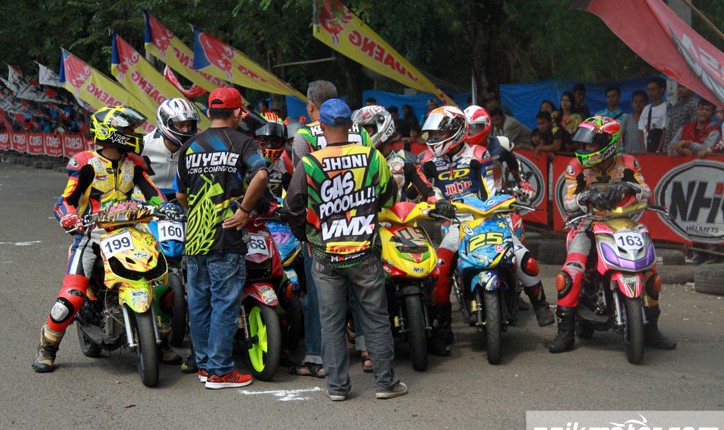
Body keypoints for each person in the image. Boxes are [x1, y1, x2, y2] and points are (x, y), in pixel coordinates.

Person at [284, 98, 407, 401]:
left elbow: (292, 206)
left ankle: (338, 387)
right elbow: (389, 197)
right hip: (364, 251)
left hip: (324, 255)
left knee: (331, 321)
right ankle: (386, 383)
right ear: (352, 126)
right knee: (376, 318)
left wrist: (305, 237)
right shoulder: (372, 157)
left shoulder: (310, 163)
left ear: (322, 127)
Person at [32, 105, 167, 373]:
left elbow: (153, 194)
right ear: (111, 133)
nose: (135, 134)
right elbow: (65, 201)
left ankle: (160, 340)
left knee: (162, 281)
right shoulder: (85, 163)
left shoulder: (135, 163)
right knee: (70, 298)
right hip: (91, 236)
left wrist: (165, 207)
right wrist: (69, 218)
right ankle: (47, 347)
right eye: (129, 130)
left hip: (130, 233)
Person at [419, 106, 554, 357]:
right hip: (456, 224)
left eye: (439, 134)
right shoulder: (427, 161)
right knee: (439, 271)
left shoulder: (479, 154)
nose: (434, 139)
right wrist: (430, 202)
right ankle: (442, 330)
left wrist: (503, 202)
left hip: (488, 218)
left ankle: (541, 305)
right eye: (432, 135)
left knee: (524, 258)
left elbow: (489, 190)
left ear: (456, 131)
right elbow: (421, 189)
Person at [549, 116, 676, 353]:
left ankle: (651, 329)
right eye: (583, 143)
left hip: (624, 222)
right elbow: (568, 201)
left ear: (609, 143)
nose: (585, 148)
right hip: (588, 223)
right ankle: (565, 333)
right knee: (571, 273)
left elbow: (646, 190)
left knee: (650, 270)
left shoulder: (628, 162)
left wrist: (629, 187)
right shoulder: (575, 167)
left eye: (591, 144)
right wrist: (587, 196)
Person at [175, 87, 268, 389]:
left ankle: (205, 366)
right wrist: (244, 210)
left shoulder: (190, 146)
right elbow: (261, 175)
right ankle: (220, 371)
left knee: (199, 304)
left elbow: (180, 194)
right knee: (225, 304)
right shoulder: (243, 143)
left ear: (208, 112)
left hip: (195, 238)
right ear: (238, 112)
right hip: (226, 237)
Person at [288, 80, 373, 378]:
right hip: (359, 223)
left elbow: (300, 185)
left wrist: (303, 233)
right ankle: (368, 351)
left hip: (320, 228)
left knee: (318, 297)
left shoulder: (303, 137)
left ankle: (318, 358)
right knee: (362, 290)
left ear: (310, 105)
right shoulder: (360, 132)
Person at [464, 105, 553, 318]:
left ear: (487, 126)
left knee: (519, 253)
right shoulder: (459, 150)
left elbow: (515, 166)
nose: (472, 132)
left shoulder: (501, 144)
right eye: (468, 128)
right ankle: (440, 315)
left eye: (476, 127)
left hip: (499, 207)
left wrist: (524, 185)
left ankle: (538, 304)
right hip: (468, 211)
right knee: (448, 261)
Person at [142, 97, 201, 366]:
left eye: (190, 124)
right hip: (148, 207)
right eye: (180, 125)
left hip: (183, 204)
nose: (186, 129)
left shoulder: (197, 147)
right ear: (165, 124)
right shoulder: (144, 145)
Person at [663, 83, 698, 153]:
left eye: (683, 87)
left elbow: (694, 127)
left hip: (685, 146)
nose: (680, 89)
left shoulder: (694, 104)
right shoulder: (676, 104)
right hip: (672, 145)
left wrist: (687, 145)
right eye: (679, 87)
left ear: (692, 88)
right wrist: (665, 147)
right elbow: (670, 126)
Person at [638, 76, 667, 154]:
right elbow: (641, 131)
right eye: (648, 89)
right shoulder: (646, 108)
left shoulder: (666, 107)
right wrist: (643, 150)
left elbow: (665, 132)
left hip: (658, 152)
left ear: (662, 90)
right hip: (646, 151)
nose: (650, 92)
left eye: (653, 89)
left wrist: (658, 150)